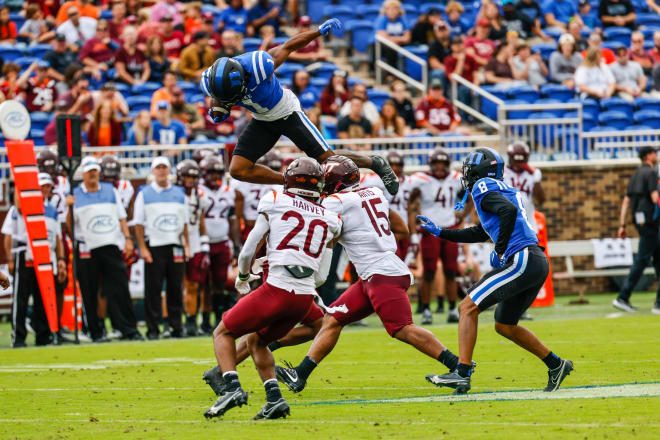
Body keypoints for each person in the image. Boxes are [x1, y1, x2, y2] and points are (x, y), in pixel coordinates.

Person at [274, 156, 462, 395]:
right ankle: (300, 374)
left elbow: (317, 225)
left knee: (402, 328)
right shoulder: (374, 193)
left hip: (380, 274)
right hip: (375, 272)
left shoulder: (336, 202)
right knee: (332, 319)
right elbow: (399, 228)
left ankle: (459, 367)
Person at [419, 147, 573, 394]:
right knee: (504, 325)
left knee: (467, 306)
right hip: (535, 259)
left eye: (469, 170)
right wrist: (441, 233)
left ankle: (462, 372)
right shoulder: (502, 189)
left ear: (480, 171)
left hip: (521, 258)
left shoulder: (483, 186)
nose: (466, 175)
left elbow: (507, 212)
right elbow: (481, 231)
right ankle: (556, 364)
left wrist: (501, 249)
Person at [204, 158, 341, 420]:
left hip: (276, 288)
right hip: (303, 296)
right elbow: (322, 274)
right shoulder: (331, 217)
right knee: (257, 341)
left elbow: (248, 249)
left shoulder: (276, 200)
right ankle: (275, 400)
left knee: (223, 332)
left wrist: (243, 275)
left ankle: (231, 388)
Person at [200, 18, 399, 195]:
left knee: (330, 161)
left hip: (287, 112)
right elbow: (217, 98)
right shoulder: (212, 82)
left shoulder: (258, 65)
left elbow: (288, 46)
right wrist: (217, 107)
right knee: (238, 170)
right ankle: (290, 181)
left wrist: (317, 31)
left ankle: (375, 162)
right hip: (262, 120)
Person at [67, 156, 142, 342]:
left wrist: (128, 239)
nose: (93, 174)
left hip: (111, 243)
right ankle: (95, 331)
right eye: (89, 171)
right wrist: (69, 208)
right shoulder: (75, 194)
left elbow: (121, 217)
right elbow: (69, 227)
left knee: (119, 288)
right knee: (89, 289)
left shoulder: (110, 190)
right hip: (86, 247)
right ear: (83, 174)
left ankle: (128, 329)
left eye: (95, 171)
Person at [3, 173, 63, 348]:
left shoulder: (52, 209)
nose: (45, 189)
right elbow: (8, 235)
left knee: (43, 298)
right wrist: (10, 259)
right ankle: (19, 338)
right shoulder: (20, 207)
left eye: (48, 186)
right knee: (21, 299)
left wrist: (60, 258)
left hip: (45, 255)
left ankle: (43, 336)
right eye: (42, 186)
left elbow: (57, 237)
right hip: (24, 253)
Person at [134, 156, 190, 339]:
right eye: (158, 168)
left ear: (169, 171)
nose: (161, 171)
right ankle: (153, 329)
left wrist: (187, 245)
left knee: (175, 288)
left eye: (164, 168)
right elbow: (139, 224)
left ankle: (176, 327)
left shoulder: (180, 193)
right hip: (155, 245)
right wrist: (142, 247)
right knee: (153, 289)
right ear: (152, 171)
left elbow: (185, 223)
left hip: (175, 245)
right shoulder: (144, 193)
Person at [408, 149, 464, 324]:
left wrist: (462, 214)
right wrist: (413, 231)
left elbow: (468, 198)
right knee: (429, 272)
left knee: (450, 271)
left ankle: (453, 308)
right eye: (436, 164)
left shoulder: (455, 178)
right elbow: (411, 204)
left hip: (449, 229)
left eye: (442, 164)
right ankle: (426, 310)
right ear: (431, 165)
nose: (439, 168)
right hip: (430, 231)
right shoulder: (421, 180)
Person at [616, 146, 660, 314]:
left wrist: (622, 225)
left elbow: (626, 201)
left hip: (640, 222)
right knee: (642, 259)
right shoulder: (651, 172)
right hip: (651, 221)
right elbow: (655, 197)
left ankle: (658, 303)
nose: (656, 155)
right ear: (648, 156)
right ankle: (623, 296)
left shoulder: (636, 174)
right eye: (654, 152)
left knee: (657, 260)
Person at [198, 156, 242, 324]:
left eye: (218, 173)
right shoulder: (198, 189)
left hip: (222, 241)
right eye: (211, 172)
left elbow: (233, 219)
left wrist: (236, 245)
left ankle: (217, 318)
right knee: (203, 283)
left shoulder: (228, 190)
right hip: (203, 243)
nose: (215, 176)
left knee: (219, 282)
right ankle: (204, 319)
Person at [175, 160, 211, 336]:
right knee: (174, 285)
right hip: (175, 241)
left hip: (195, 242)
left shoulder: (200, 195)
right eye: (187, 176)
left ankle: (190, 320)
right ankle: (172, 323)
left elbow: (201, 221)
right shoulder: (172, 194)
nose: (190, 180)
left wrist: (205, 245)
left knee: (194, 285)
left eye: (193, 177)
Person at [503, 142, 545, 232]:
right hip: (507, 226)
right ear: (510, 158)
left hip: (529, 225)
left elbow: (541, 200)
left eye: (521, 160)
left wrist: (535, 178)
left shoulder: (534, 173)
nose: (518, 163)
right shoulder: (502, 173)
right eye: (516, 159)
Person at [443, 36, 480, 119]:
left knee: (479, 91)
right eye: (455, 44)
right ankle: (463, 118)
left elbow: (476, 74)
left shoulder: (470, 58)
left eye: (460, 43)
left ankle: (476, 118)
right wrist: (461, 61)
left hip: (471, 85)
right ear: (451, 46)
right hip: (456, 87)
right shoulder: (448, 60)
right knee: (463, 89)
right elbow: (453, 79)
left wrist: (475, 87)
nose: (458, 46)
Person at [375, 0, 411, 67]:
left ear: (399, 10)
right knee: (390, 48)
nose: (392, 11)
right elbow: (384, 38)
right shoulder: (381, 19)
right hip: (383, 46)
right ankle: (390, 74)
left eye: (395, 8)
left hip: (399, 44)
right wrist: (400, 39)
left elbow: (407, 38)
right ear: (385, 10)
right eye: (390, 9)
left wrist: (392, 39)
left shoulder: (402, 19)